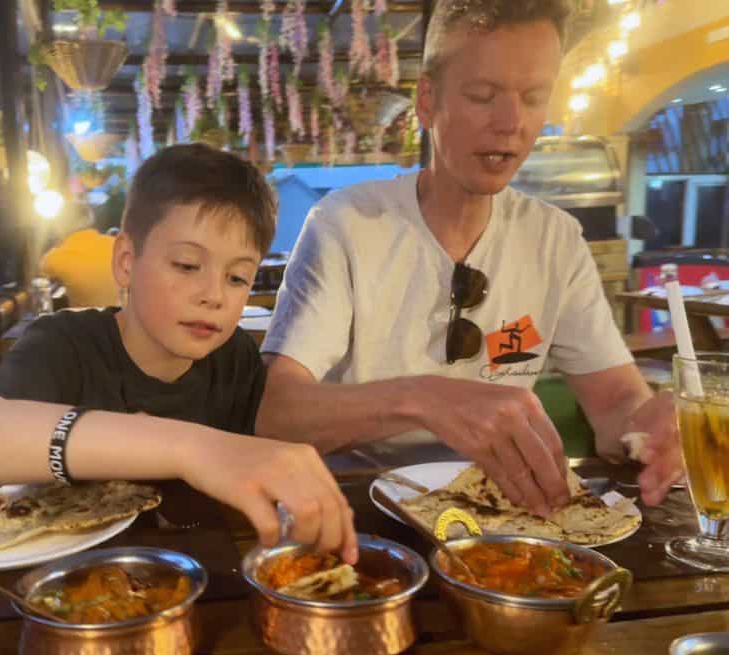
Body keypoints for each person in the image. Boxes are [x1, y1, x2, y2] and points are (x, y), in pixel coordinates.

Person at [257, 0, 681, 518]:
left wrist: (654, 431)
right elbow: (277, 412)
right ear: (428, 102)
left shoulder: (555, 239)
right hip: (357, 513)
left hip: (502, 518)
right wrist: (426, 399)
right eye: (483, 95)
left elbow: (616, 402)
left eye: (534, 97)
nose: (511, 122)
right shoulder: (346, 223)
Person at [0, 144, 357, 563]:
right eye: (187, 266)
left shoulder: (235, 358)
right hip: (71, 581)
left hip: (201, 577)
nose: (214, 295)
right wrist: (192, 448)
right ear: (126, 261)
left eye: (238, 278)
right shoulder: (67, 344)